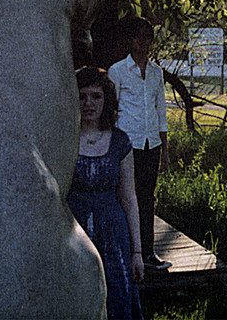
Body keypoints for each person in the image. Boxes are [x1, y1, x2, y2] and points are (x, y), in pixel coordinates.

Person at [67, 67, 144, 320]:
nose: (88, 103)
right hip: (74, 234)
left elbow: (129, 199)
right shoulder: (63, 140)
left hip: (113, 236)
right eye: (82, 96)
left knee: (116, 297)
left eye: (96, 96)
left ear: (106, 100)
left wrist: (137, 252)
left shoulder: (120, 142)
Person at [108, 18, 171, 271]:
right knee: (126, 196)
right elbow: (112, 111)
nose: (143, 41)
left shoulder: (156, 73)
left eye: (147, 36)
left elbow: (161, 111)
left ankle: (147, 252)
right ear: (130, 39)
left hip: (150, 143)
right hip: (127, 144)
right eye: (138, 36)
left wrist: (165, 149)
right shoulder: (118, 71)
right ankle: (125, 250)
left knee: (147, 198)